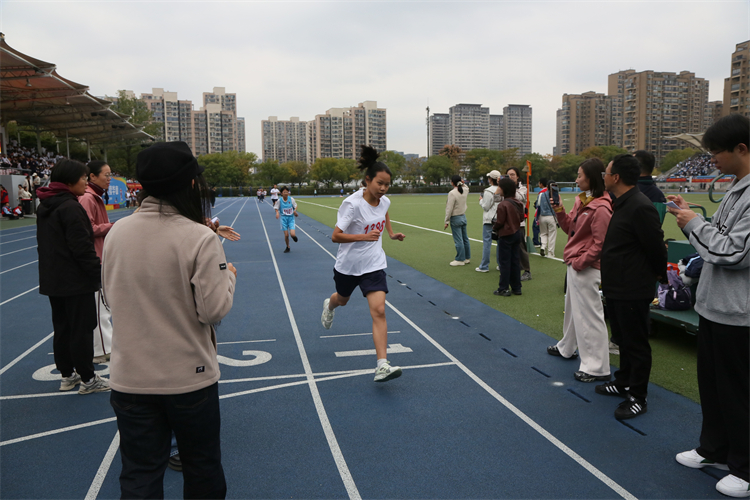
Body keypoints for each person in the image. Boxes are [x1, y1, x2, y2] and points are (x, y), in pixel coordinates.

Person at [102, 141, 236, 499]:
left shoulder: (117, 232)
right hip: (188, 379)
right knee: (202, 467)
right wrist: (229, 276)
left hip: (130, 378)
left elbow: (111, 297)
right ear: (190, 183)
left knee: (139, 474)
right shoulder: (199, 237)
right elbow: (212, 310)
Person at [668, 114, 749, 498]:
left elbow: (735, 254)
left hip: (740, 314)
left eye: (716, 151)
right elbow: (716, 238)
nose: (711, 158)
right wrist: (692, 217)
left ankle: (745, 469)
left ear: (741, 149)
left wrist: (693, 224)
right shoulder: (736, 189)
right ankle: (714, 450)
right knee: (714, 387)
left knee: (738, 392)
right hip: (716, 306)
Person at [320, 145, 405, 383]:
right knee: (342, 300)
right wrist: (363, 237)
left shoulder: (384, 201)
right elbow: (336, 236)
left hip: (374, 264)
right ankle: (330, 305)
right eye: (380, 183)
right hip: (348, 266)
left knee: (379, 310)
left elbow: (384, 213)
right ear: (367, 180)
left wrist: (390, 234)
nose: (383, 188)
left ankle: (382, 365)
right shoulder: (352, 204)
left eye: (387, 185)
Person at [596, 154, 667, 420]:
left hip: (632, 287)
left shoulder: (640, 206)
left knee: (636, 343)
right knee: (622, 339)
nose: (604, 177)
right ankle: (623, 381)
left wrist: (658, 275)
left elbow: (656, 248)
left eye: (606, 172)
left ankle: (638, 396)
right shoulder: (622, 203)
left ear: (616, 177)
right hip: (617, 285)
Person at [36, 159, 110, 395]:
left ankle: (67, 375)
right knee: (82, 329)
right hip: (76, 281)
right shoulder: (71, 207)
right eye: (83, 178)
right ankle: (88, 379)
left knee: (62, 328)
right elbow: (82, 248)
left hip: (53, 279)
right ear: (69, 181)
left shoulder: (45, 206)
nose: (85, 182)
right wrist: (97, 274)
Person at [546, 159, 613, 383]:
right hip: (577, 262)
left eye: (580, 175)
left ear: (591, 178)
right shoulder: (582, 200)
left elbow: (601, 244)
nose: (576, 180)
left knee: (589, 316)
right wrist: (559, 211)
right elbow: (570, 229)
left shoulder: (601, 207)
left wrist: (580, 262)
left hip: (586, 267)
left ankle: (597, 367)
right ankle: (567, 347)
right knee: (574, 310)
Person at [79, 160, 115, 364]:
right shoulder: (88, 198)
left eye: (110, 175)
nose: (109, 179)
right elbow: (88, 229)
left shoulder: (95, 196)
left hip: (99, 256)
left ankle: (103, 347)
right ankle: (102, 350)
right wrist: (113, 226)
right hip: (94, 258)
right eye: (106, 175)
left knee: (102, 305)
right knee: (99, 307)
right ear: (92, 176)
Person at [492, 177, 524, 296]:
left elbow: (500, 222)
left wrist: (494, 227)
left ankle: (503, 288)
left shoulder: (503, 204)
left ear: (504, 189)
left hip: (505, 235)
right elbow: (521, 218)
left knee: (504, 262)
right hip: (516, 233)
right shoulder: (518, 203)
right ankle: (516, 287)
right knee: (515, 261)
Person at [506, 168, 532, 280]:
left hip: (518, 223)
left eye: (512, 174)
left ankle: (527, 271)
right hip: (506, 223)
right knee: (508, 248)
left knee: (521, 248)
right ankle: (511, 269)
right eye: (508, 175)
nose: (510, 177)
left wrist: (509, 187)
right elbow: (496, 198)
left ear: (517, 176)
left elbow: (519, 197)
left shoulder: (522, 188)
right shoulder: (504, 187)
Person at [476, 170, 501, 272]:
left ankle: (484, 266)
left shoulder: (488, 191)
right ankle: (501, 265)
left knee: (487, 242)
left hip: (489, 219)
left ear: (491, 179)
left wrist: (481, 200)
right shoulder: (503, 189)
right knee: (500, 243)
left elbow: (486, 206)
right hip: (500, 219)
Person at [444, 175, 470, 266]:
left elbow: (449, 208)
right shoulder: (465, 190)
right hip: (463, 216)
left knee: (458, 240)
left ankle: (460, 259)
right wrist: (463, 183)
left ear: (452, 183)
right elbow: (466, 187)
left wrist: (446, 221)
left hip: (455, 218)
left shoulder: (452, 193)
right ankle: (466, 258)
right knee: (465, 239)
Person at [537, 178, 558, 258]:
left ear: (547, 186)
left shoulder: (541, 194)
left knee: (543, 233)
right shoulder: (555, 195)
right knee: (552, 235)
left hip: (542, 216)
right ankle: (550, 252)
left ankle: (543, 246)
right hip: (551, 216)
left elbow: (537, 205)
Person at [274, 185, 299, 253]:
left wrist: (294, 211)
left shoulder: (291, 199)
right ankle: (288, 247)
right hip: (283, 219)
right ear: (281, 193)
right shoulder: (279, 200)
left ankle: (294, 237)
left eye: (287, 192)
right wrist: (277, 213)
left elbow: (295, 206)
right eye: (284, 192)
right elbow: (276, 208)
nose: (286, 193)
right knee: (286, 235)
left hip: (291, 218)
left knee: (292, 234)